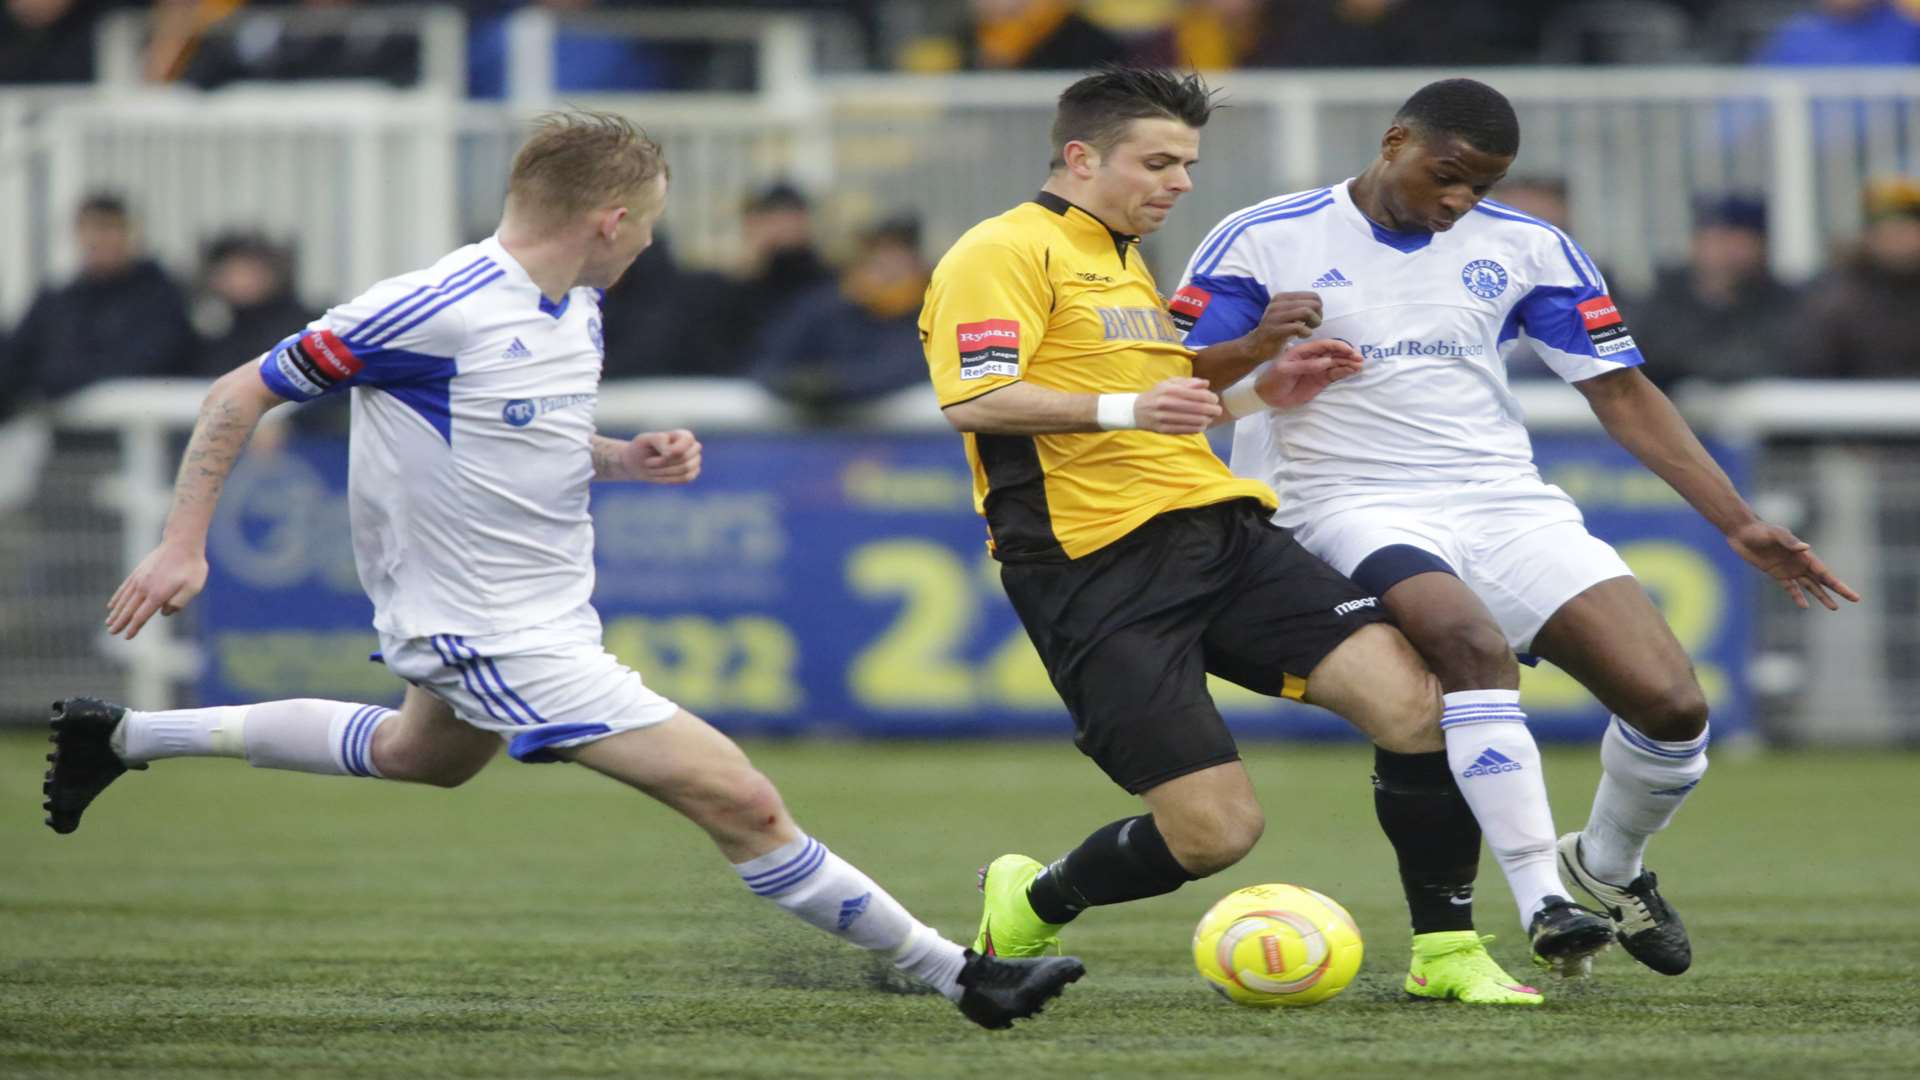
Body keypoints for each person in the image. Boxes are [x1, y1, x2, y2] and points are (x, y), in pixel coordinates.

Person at [41, 109, 1084, 1031]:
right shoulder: (433, 304)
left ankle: (123, 735)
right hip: (483, 629)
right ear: (609, 221)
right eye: (652, 222)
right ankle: (960, 977)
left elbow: (518, 430)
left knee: (425, 756)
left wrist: (626, 457)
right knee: (745, 802)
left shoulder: (576, 303)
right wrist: (184, 543)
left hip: (539, 615)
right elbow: (236, 393)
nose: (650, 242)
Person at [919, 67, 1610, 1009]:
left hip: (1221, 531)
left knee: (1418, 705)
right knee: (1213, 834)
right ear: (1080, 157)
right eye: (1158, 162)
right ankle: (1037, 898)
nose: (1180, 183)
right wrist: (1130, 402)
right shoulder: (1000, 250)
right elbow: (976, 398)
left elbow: (1168, 412)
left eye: (1188, 164)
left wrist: (1261, 390)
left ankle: (1446, 950)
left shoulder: (1121, 257)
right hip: (1090, 566)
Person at [1177, 78, 1860, 979]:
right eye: (1447, 176)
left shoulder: (1530, 248)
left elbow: (1616, 388)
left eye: (1482, 187)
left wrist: (1738, 522)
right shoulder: (1264, 237)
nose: (1459, 203)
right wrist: (1262, 348)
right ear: (1395, 142)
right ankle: (1545, 898)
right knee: (1468, 644)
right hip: (1344, 497)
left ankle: (1604, 866)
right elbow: (1170, 383)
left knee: (1674, 707)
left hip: (1503, 498)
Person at [7, 193, 200, 403]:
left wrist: (57, 379)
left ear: (130, 233)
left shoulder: (162, 298)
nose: (98, 239)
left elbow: (151, 359)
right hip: (67, 432)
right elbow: (15, 359)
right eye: (89, 229)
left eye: (108, 228)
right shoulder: (57, 301)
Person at [751, 216, 931, 415]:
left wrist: (834, 386)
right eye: (877, 252)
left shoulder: (932, 313)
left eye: (898, 253)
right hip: (816, 436)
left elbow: (910, 367)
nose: (887, 263)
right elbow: (769, 362)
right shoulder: (824, 309)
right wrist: (795, 385)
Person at [1629, 195, 1799, 389]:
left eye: (1733, 240)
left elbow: (1772, 362)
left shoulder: (1784, 306)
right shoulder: (1662, 301)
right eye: (1712, 239)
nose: (1720, 252)